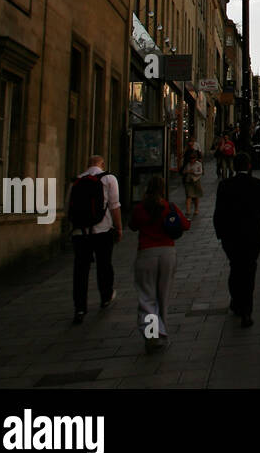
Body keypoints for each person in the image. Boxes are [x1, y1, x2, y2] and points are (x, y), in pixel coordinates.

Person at [128, 175, 189, 353]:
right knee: (163, 297)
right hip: (168, 253)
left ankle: (153, 336)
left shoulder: (141, 208)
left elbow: (132, 225)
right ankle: (161, 334)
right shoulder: (169, 207)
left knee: (147, 298)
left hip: (147, 253)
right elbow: (185, 225)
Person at [214, 152, 260, 328]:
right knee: (249, 272)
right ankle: (247, 311)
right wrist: (253, 219)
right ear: (249, 166)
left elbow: (219, 213)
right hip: (252, 236)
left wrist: (221, 233)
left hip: (231, 238)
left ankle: (236, 302)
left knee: (235, 268)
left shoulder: (224, 186)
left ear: (233, 167)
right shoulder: (259, 185)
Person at [68, 155, 122, 324]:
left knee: (80, 271)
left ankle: (80, 308)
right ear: (102, 164)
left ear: (87, 164)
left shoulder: (76, 181)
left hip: (80, 233)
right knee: (104, 264)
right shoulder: (108, 178)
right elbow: (114, 206)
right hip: (102, 229)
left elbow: (68, 207)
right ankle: (105, 296)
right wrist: (119, 227)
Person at [184, 149, 204, 219]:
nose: (192, 160)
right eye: (190, 158)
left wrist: (194, 172)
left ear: (195, 158)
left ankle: (196, 209)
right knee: (189, 196)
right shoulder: (188, 164)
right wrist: (187, 171)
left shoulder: (198, 164)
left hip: (196, 181)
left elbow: (200, 172)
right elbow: (184, 171)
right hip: (189, 181)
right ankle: (188, 210)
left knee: (196, 196)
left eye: (193, 158)